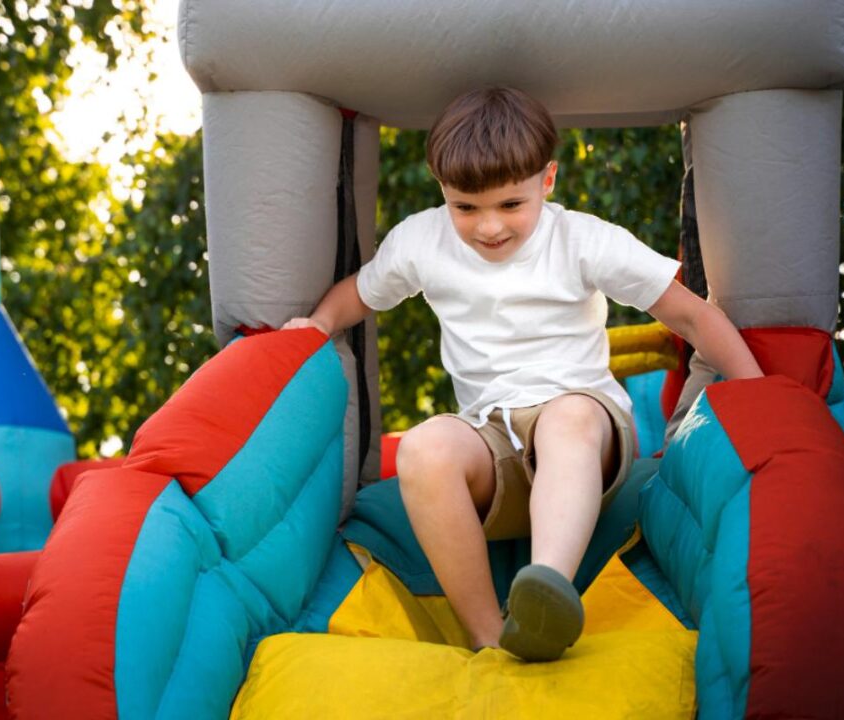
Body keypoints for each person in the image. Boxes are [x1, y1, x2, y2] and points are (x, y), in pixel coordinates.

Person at [282, 87, 763, 661]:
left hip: (587, 433)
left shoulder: (582, 240)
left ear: (547, 180)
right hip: (493, 444)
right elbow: (359, 296)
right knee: (424, 447)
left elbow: (691, 314)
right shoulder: (421, 241)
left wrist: (759, 395)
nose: (489, 227)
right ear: (443, 192)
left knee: (567, 417)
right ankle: (493, 636)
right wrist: (313, 327)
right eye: (466, 207)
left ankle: (546, 586)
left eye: (511, 205)